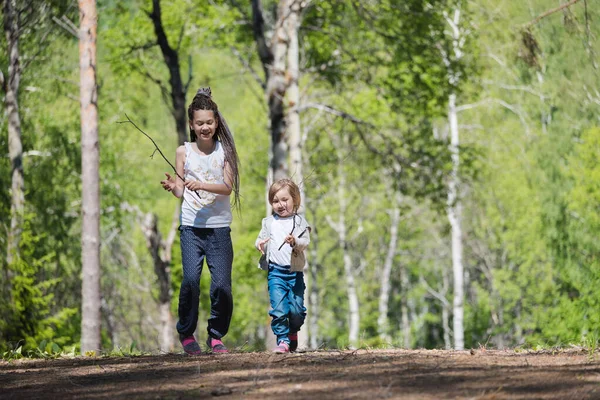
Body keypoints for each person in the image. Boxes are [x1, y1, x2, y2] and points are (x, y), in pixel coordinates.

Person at [161, 87, 240, 355]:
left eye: (209, 122)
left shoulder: (225, 150)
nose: (205, 127)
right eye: (199, 123)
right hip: (191, 228)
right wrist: (174, 187)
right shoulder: (183, 152)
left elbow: (228, 187)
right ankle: (186, 333)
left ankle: (216, 336)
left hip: (218, 229)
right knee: (191, 281)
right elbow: (183, 190)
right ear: (192, 125)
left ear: (216, 122)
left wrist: (202, 184)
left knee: (221, 286)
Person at [255, 179, 311, 353]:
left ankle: (293, 331)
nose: (280, 204)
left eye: (284, 200)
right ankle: (283, 340)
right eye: (275, 201)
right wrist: (259, 244)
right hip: (276, 272)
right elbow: (260, 238)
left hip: (294, 273)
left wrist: (295, 241)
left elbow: (305, 243)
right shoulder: (269, 222)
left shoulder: (300, 222)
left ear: (294, 199)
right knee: (279, 309)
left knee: (296, 311)